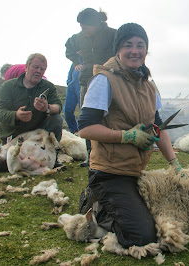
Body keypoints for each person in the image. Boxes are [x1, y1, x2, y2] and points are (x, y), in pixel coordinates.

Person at [77, 23, 182, 248]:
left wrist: (174, 163)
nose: (134, 51)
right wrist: (126, 137)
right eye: (128, 45)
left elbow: (159, 127)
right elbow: (85, 127)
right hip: (108, 173)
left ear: (146, 50)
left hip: (136, 171)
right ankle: (97, 207)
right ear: (118, 50)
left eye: (140, 45)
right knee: (142, 237)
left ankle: (117, 205)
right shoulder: (104, 80)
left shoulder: (148, 87)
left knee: (170, 216)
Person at [0, 53, 63, 172]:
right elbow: (0, 113)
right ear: (27, 67)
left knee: (56, 118)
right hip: (15, 137)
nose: (39, 71)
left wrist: (47, 108)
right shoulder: (8, 86)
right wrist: (16, 115)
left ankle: (53, 157)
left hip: (36, 136)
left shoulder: (48, 87)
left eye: (42, 69)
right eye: (35, 67)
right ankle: (2, 150)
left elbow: (58, 106)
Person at [65, 7, 117, 166]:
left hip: (109, 80)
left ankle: (112, 154)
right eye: (81, 26)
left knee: (111, 117)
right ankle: (91, 155)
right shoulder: (79, 37)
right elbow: (68, 47)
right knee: (87, 119)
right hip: (86, 80)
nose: (83, 29)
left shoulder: (113, 35)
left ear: (96, 23)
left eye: (85, 26)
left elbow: (122, 52)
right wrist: (75, 61)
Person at [63, 63, 81, 133]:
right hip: (72, 84)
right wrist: (69, 81)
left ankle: (85, 132)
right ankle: (74, 129)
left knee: (83, 109)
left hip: (83, 83)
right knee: (67, 110)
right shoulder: (76, 57)